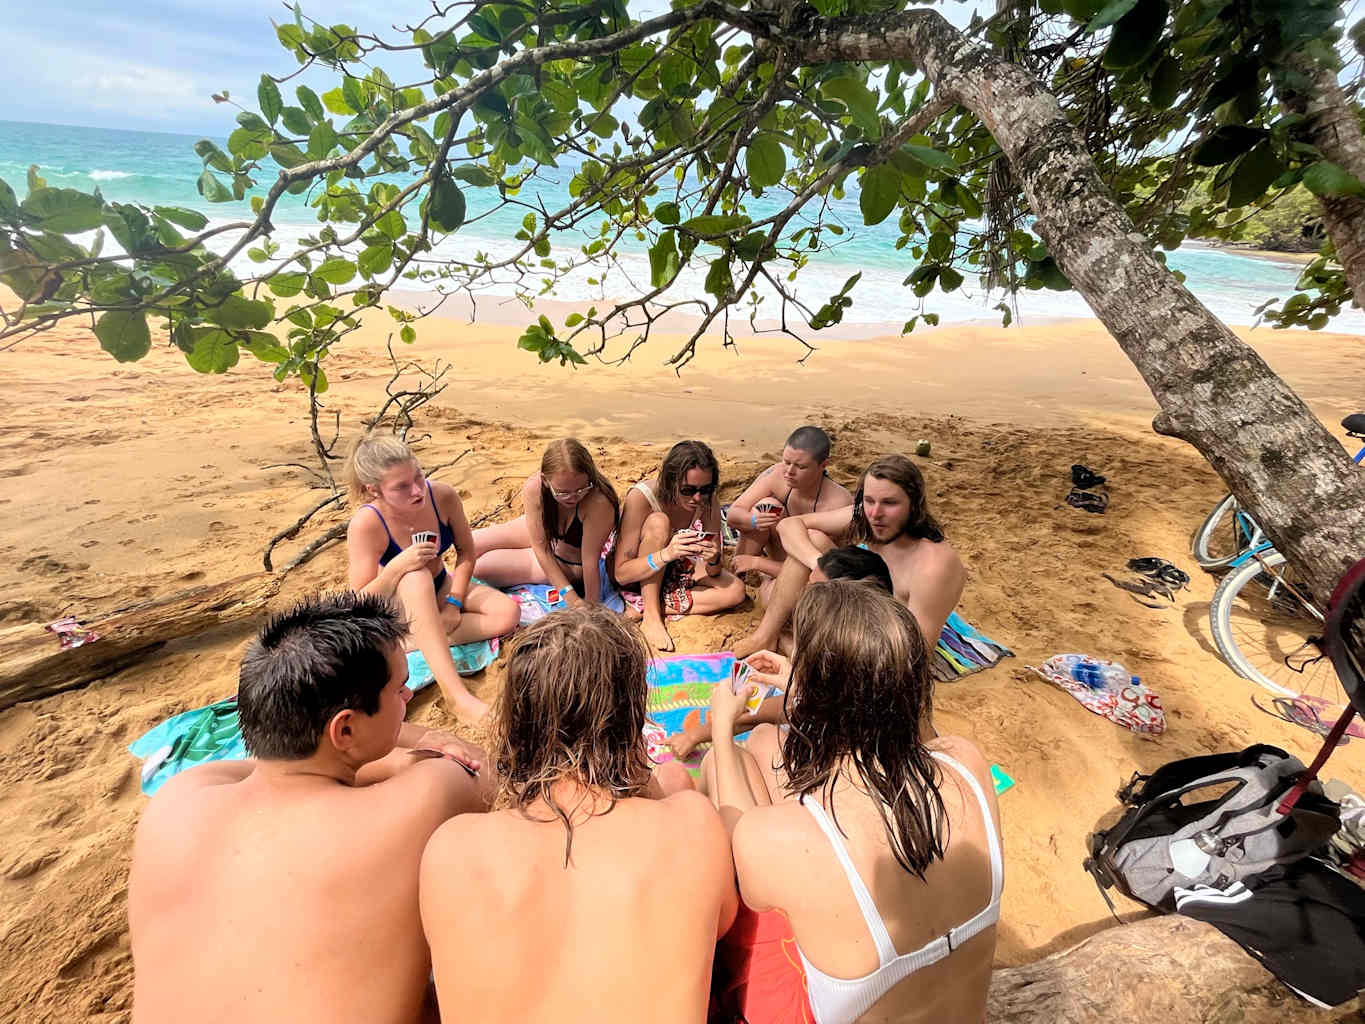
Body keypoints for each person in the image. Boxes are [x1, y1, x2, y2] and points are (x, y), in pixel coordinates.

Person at [129, 592, 490, 1024]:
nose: (410, 694)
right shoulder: (432, 791)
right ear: (346, 728)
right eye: (399, 688)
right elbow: (483, 771)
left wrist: (381, 746)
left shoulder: (181, 796)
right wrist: (418, 743)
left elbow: (287, 764)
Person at [420, 604, 738, 1023]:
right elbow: (721, 926)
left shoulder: (450, 847)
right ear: (631, 721)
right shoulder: (692, 824)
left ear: (516, 722)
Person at [705, 580, 1002, 1023]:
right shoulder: (966, 763)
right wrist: (805, 684)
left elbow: (740, 849)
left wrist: (722, 730)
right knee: (769, 744)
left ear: (819, 694)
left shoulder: (776, 838)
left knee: (725, 763)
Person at [345, 434, 520, 722]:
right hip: (396, 604)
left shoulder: (442, 496)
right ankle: (456, 695)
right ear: (374, 490)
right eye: (401, 487)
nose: (417, 490)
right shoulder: (367, 524)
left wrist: (453, 603)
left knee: (507, 613)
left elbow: (466, 553)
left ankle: (414, 640)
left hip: (441, 586)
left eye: (418, 476)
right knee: (415, 577)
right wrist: (396, 567)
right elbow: (360, 600)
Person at [664, 546, 895, 760]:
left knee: (761, 740)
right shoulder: (850, 647)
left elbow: (785, 710)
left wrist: (713, 730)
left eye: (816, 591)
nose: (803, 595)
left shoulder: (853, 668)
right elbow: (792, 704)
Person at [732, 453, 965, 659]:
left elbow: (916, 654)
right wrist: (819, 563)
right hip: (854, 605)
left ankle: (789, 644)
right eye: (869, 501)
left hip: (882, 638)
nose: (875, 513)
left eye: (890, 503)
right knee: (810, 540)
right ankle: (765, 636)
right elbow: (789, 525)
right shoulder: (865, 516)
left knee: (772, 595)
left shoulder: (933, 565)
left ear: (914, 505)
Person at [613, 439, 745, 651]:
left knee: (735, 591)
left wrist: (714, 559)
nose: (697, 497)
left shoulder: (707, 500)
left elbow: (714, 571)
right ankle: (652, 616)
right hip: (639, 570)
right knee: (660, 523)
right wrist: (666, 554)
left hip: (675, 568)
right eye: (687, 490)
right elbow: (621, 573)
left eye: (706, 489)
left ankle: (652, 606)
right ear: (669, 481)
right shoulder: (642, 498)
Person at [472, 438, 621, 605]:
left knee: (480, 568)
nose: (573, 498)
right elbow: (541, 547)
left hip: (566, 561)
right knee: (473, 543)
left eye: (580, 489)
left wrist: (582, 600)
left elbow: (590, 561)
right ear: (545, 480)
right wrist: (569, 596)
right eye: (563, 492)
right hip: (547, 537)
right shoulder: (535, 487)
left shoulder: (598, 502)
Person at [726, 426, 852, 580]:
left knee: (815, 537)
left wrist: (758, 563)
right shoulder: (777, 474)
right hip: (777, 553)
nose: (789, 472)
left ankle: (760, 572)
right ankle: (737, 574)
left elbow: (836, 571)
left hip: (809, 570)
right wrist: (752, 521)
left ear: (823, 465)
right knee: (766, 507)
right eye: (786, 461)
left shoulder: (839, 502)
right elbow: (733, 515)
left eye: (801, 466)